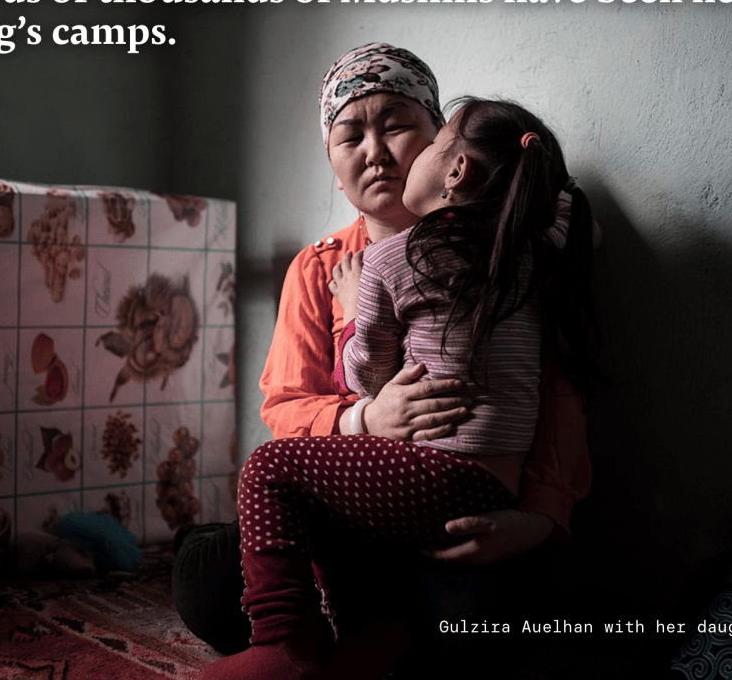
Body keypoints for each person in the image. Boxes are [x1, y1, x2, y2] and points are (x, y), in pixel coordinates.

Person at [172, 43, 590, 665]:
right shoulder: (318, 270)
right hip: (336, 515)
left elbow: (556, 390)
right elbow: (285, 406)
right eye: (350, 136)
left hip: (447, 527)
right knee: (205, 581)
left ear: (443, 149)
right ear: (333, 163)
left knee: (494, 625)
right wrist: (365, 419)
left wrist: (538, 518)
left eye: (397, 124)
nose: (374, 150)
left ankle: (358, 634)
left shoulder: (511, 252)